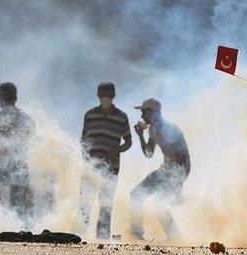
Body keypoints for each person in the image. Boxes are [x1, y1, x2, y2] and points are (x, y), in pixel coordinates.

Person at [130, 98, 190, 241]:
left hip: (176, 171)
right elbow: (149, 153)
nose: (141, 116)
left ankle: (171, 236)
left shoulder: (169, 128)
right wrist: (140, 136)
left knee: (151, 200)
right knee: (140, 196)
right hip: (168, 170)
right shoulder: (154, 128)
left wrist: (178, 185)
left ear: (152, 112)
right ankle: (139, 234)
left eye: (144, 111)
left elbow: (182, 156)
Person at [79, 81, 132, 239]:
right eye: (103, 94)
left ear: (114, 96)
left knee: (106, 205)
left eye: (109, 94)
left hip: (111, 168)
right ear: (98, 96)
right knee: (84, 203)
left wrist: (115, 151)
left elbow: (128, 142)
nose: (106, 97)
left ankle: (102, 241)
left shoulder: (122, 117)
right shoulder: (90, 115)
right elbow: (83, 140)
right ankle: (79, 237)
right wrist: (87, 160)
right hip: (91, 167)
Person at [0, 82, 35, 219]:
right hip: (20, 164)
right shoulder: (26, 118)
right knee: (18, 204)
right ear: (15, 98)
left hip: (2, 164)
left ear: (0, 97)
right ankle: (18, 230)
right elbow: (31, 142)